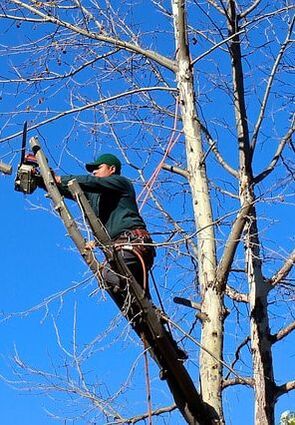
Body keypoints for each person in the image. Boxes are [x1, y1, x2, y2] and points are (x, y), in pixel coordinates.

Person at [51, 153, 155, 299]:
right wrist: (44, 179)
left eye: (98, 168)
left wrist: (60, 178)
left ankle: (137, 300)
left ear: (112, 169)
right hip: (119, 250)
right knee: (136, 303)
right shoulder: (94, 195)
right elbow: (68, 188)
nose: (94, 172)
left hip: (132, 244)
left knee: (107, 274)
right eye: (92, 170)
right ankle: (146, 315)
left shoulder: (120, 183)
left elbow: (91, 182)